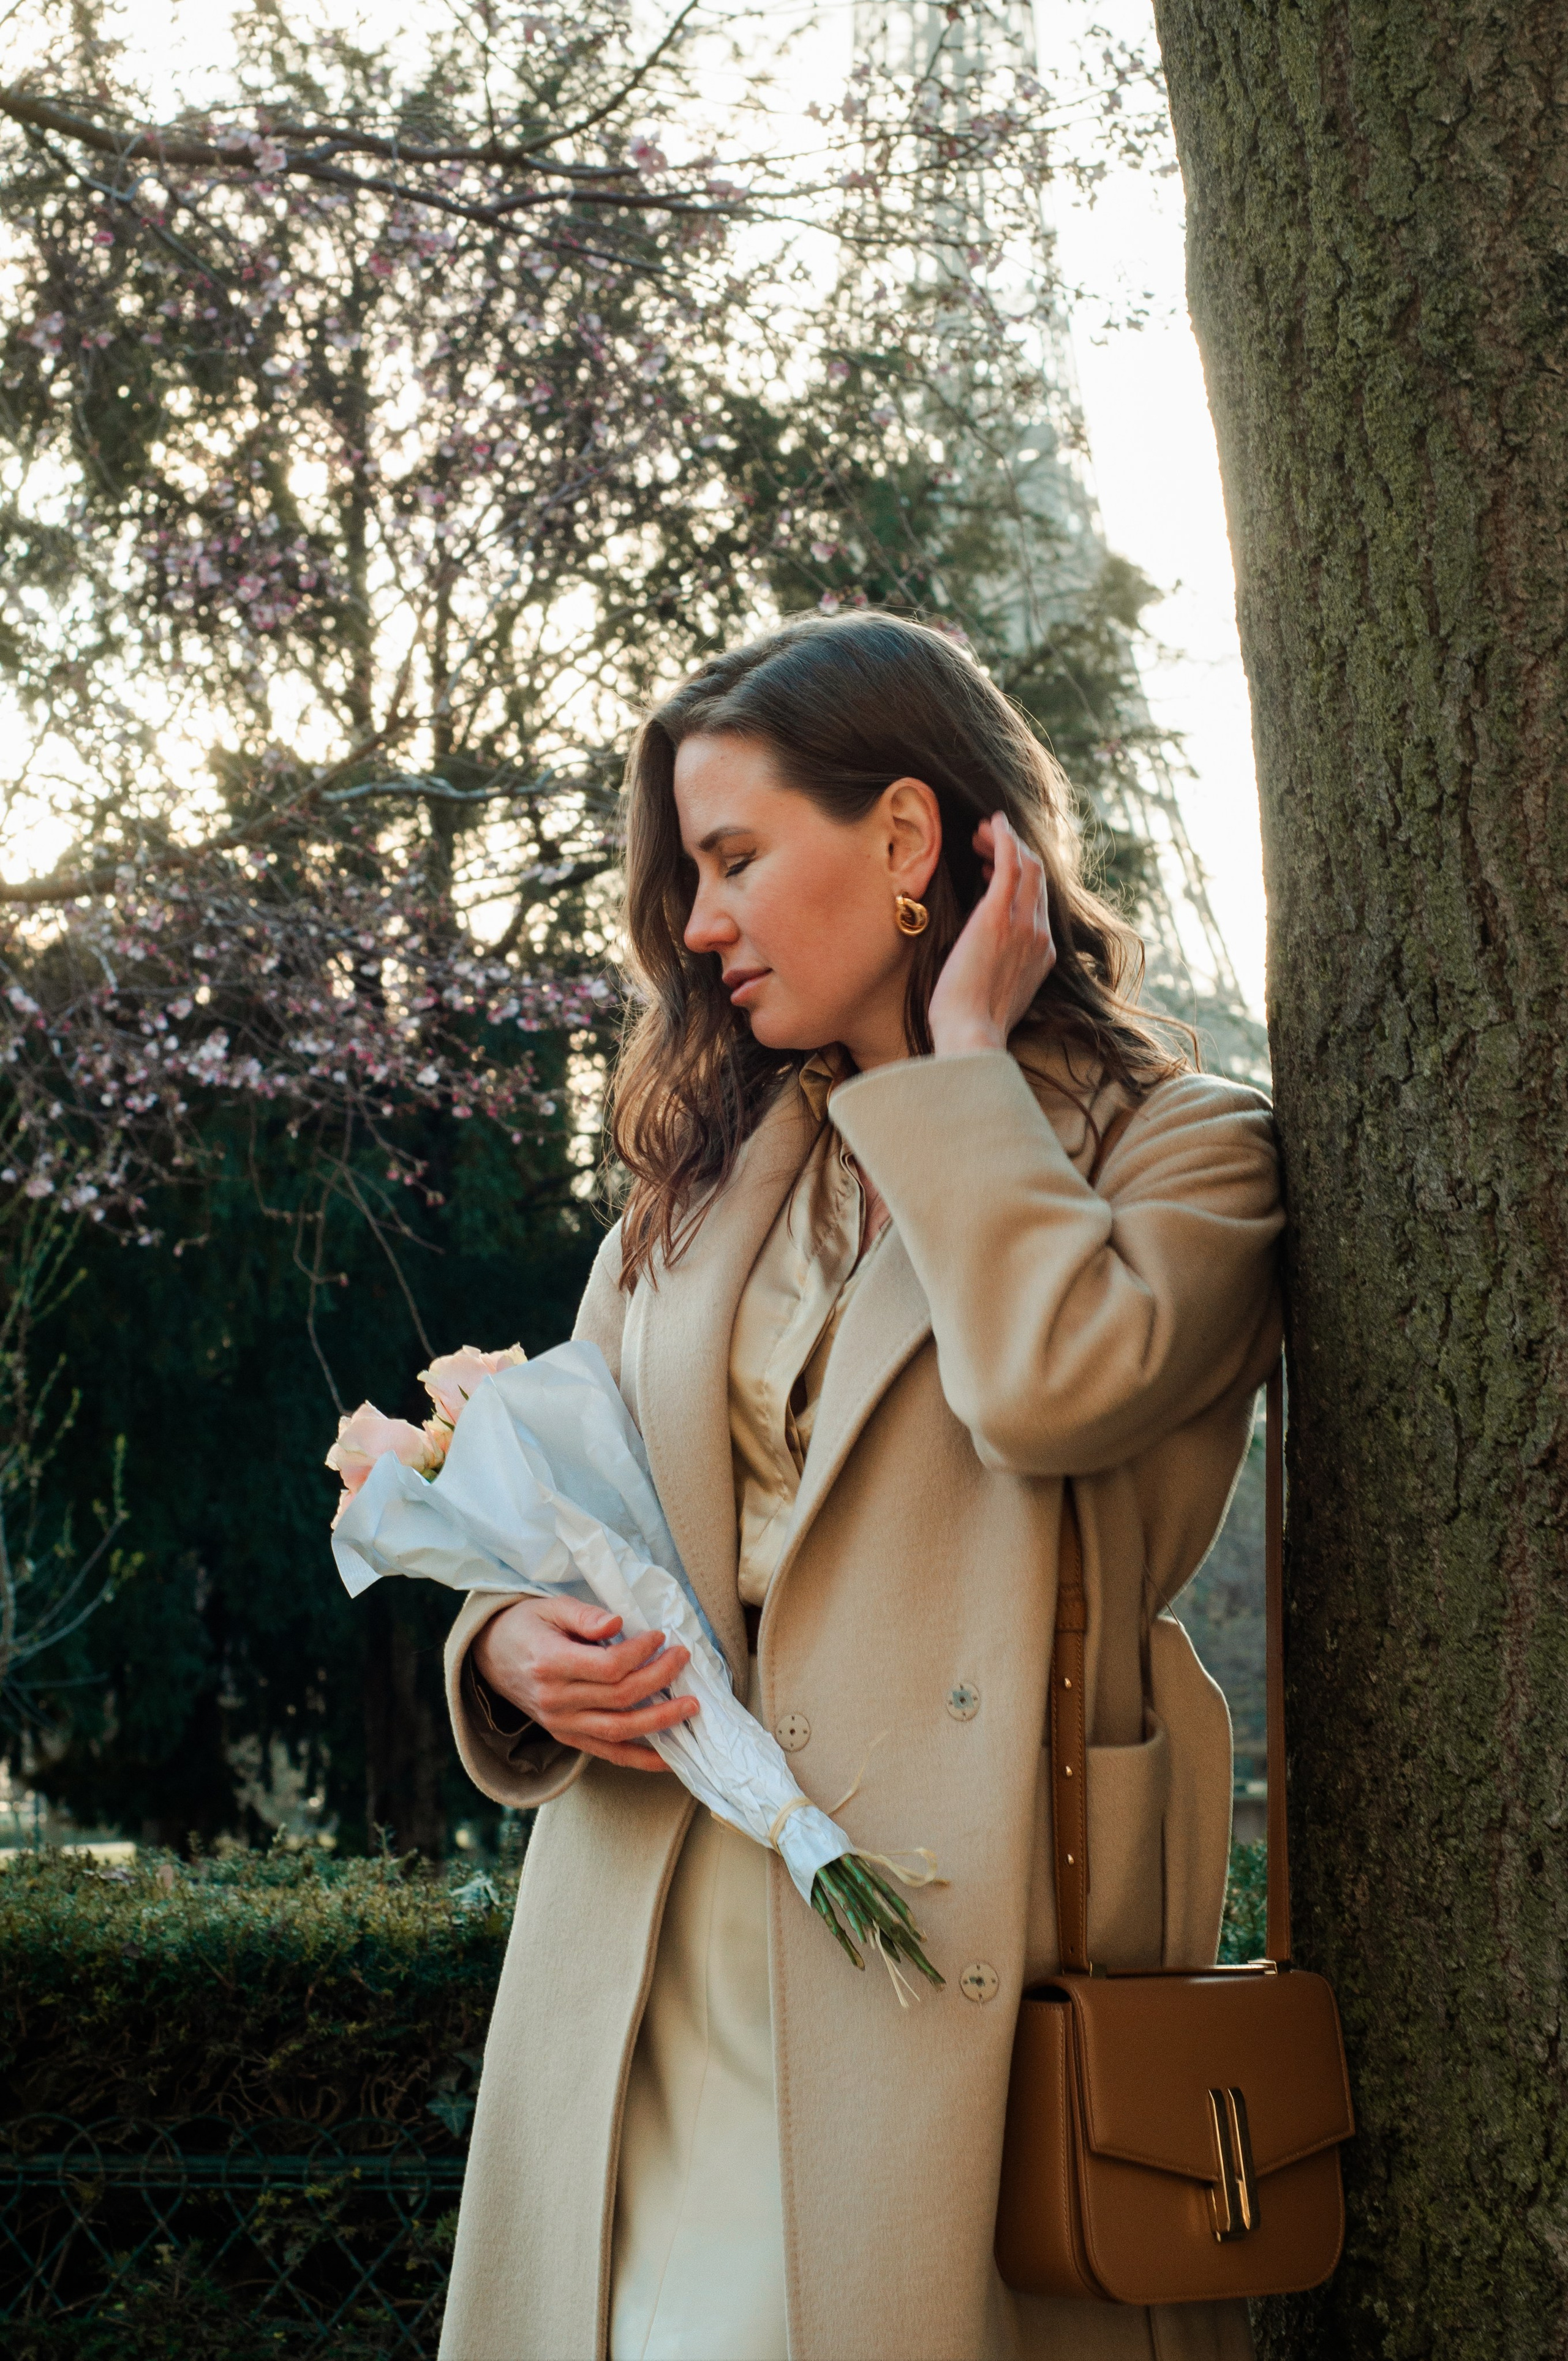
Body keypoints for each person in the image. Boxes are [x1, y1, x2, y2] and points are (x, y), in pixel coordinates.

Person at [437, 612, 1282, 2361]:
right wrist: (512, 1647)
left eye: (735, 857)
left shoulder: (1183, 1147)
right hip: (650, 1953)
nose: (696, 922)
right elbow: (580, 1509)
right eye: (686, 872)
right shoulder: (695, 1184)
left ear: (907, 842)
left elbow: (1055, 1393)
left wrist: (961, 1074)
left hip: (956, 1959)